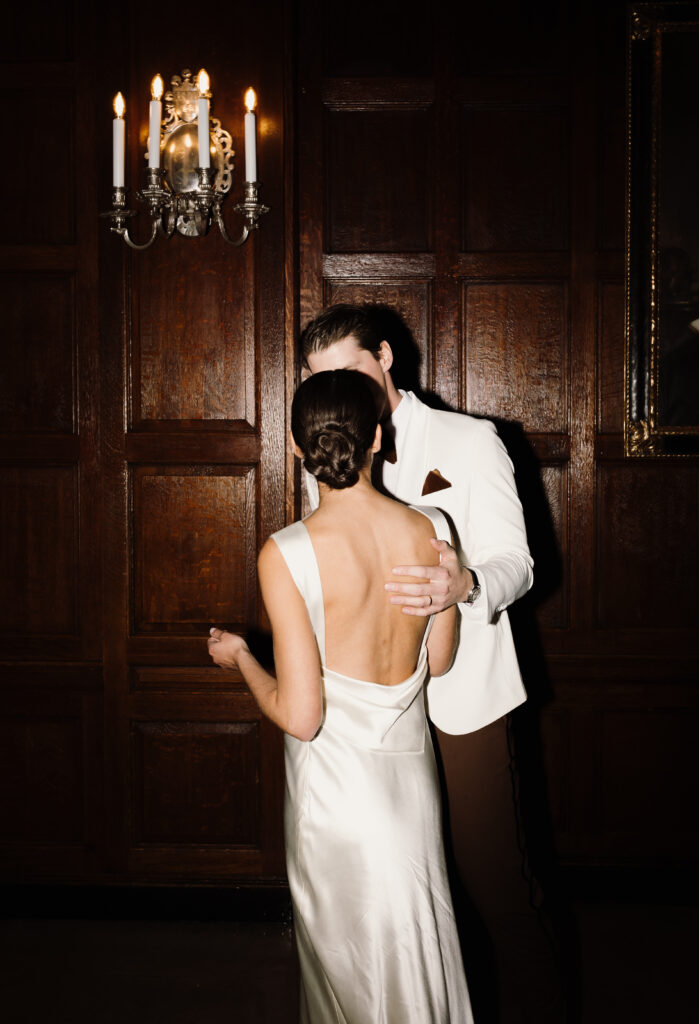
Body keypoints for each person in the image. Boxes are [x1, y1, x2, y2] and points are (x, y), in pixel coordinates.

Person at [300, 304, 566, 1024]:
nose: (341, 395)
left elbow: (519, 562)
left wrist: (465, 584)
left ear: (385, 357)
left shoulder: (470, 440)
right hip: (372, 714)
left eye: (351, 373)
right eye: (323, 382)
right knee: (401, 894)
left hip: (463, 700)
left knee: (496, 886)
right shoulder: (326, 448)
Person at [208, 369, 473, 1024]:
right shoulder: (431, 524)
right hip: (410, 793)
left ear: (298, 449)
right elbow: (438, 661)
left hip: (335, 807)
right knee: (415, 952)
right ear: (379, 438)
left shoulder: (287, 552)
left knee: (347, 977)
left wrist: (242, 657)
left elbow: (301, 717)